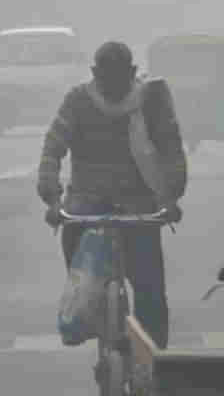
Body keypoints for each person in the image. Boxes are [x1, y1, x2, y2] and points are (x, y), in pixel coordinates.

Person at [38, 41, 188, 349]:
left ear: (132, 73)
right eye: (107, 78)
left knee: (149, 293)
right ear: (94, 74)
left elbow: (171, 151)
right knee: (81, 281)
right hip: (85, 205)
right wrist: (52, 198)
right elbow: (52, 150)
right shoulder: (77, 101)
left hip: (139, 206)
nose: (114, 86)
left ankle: (154, 362)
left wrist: (172, 196)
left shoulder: (151, 100)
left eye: (120, 78)